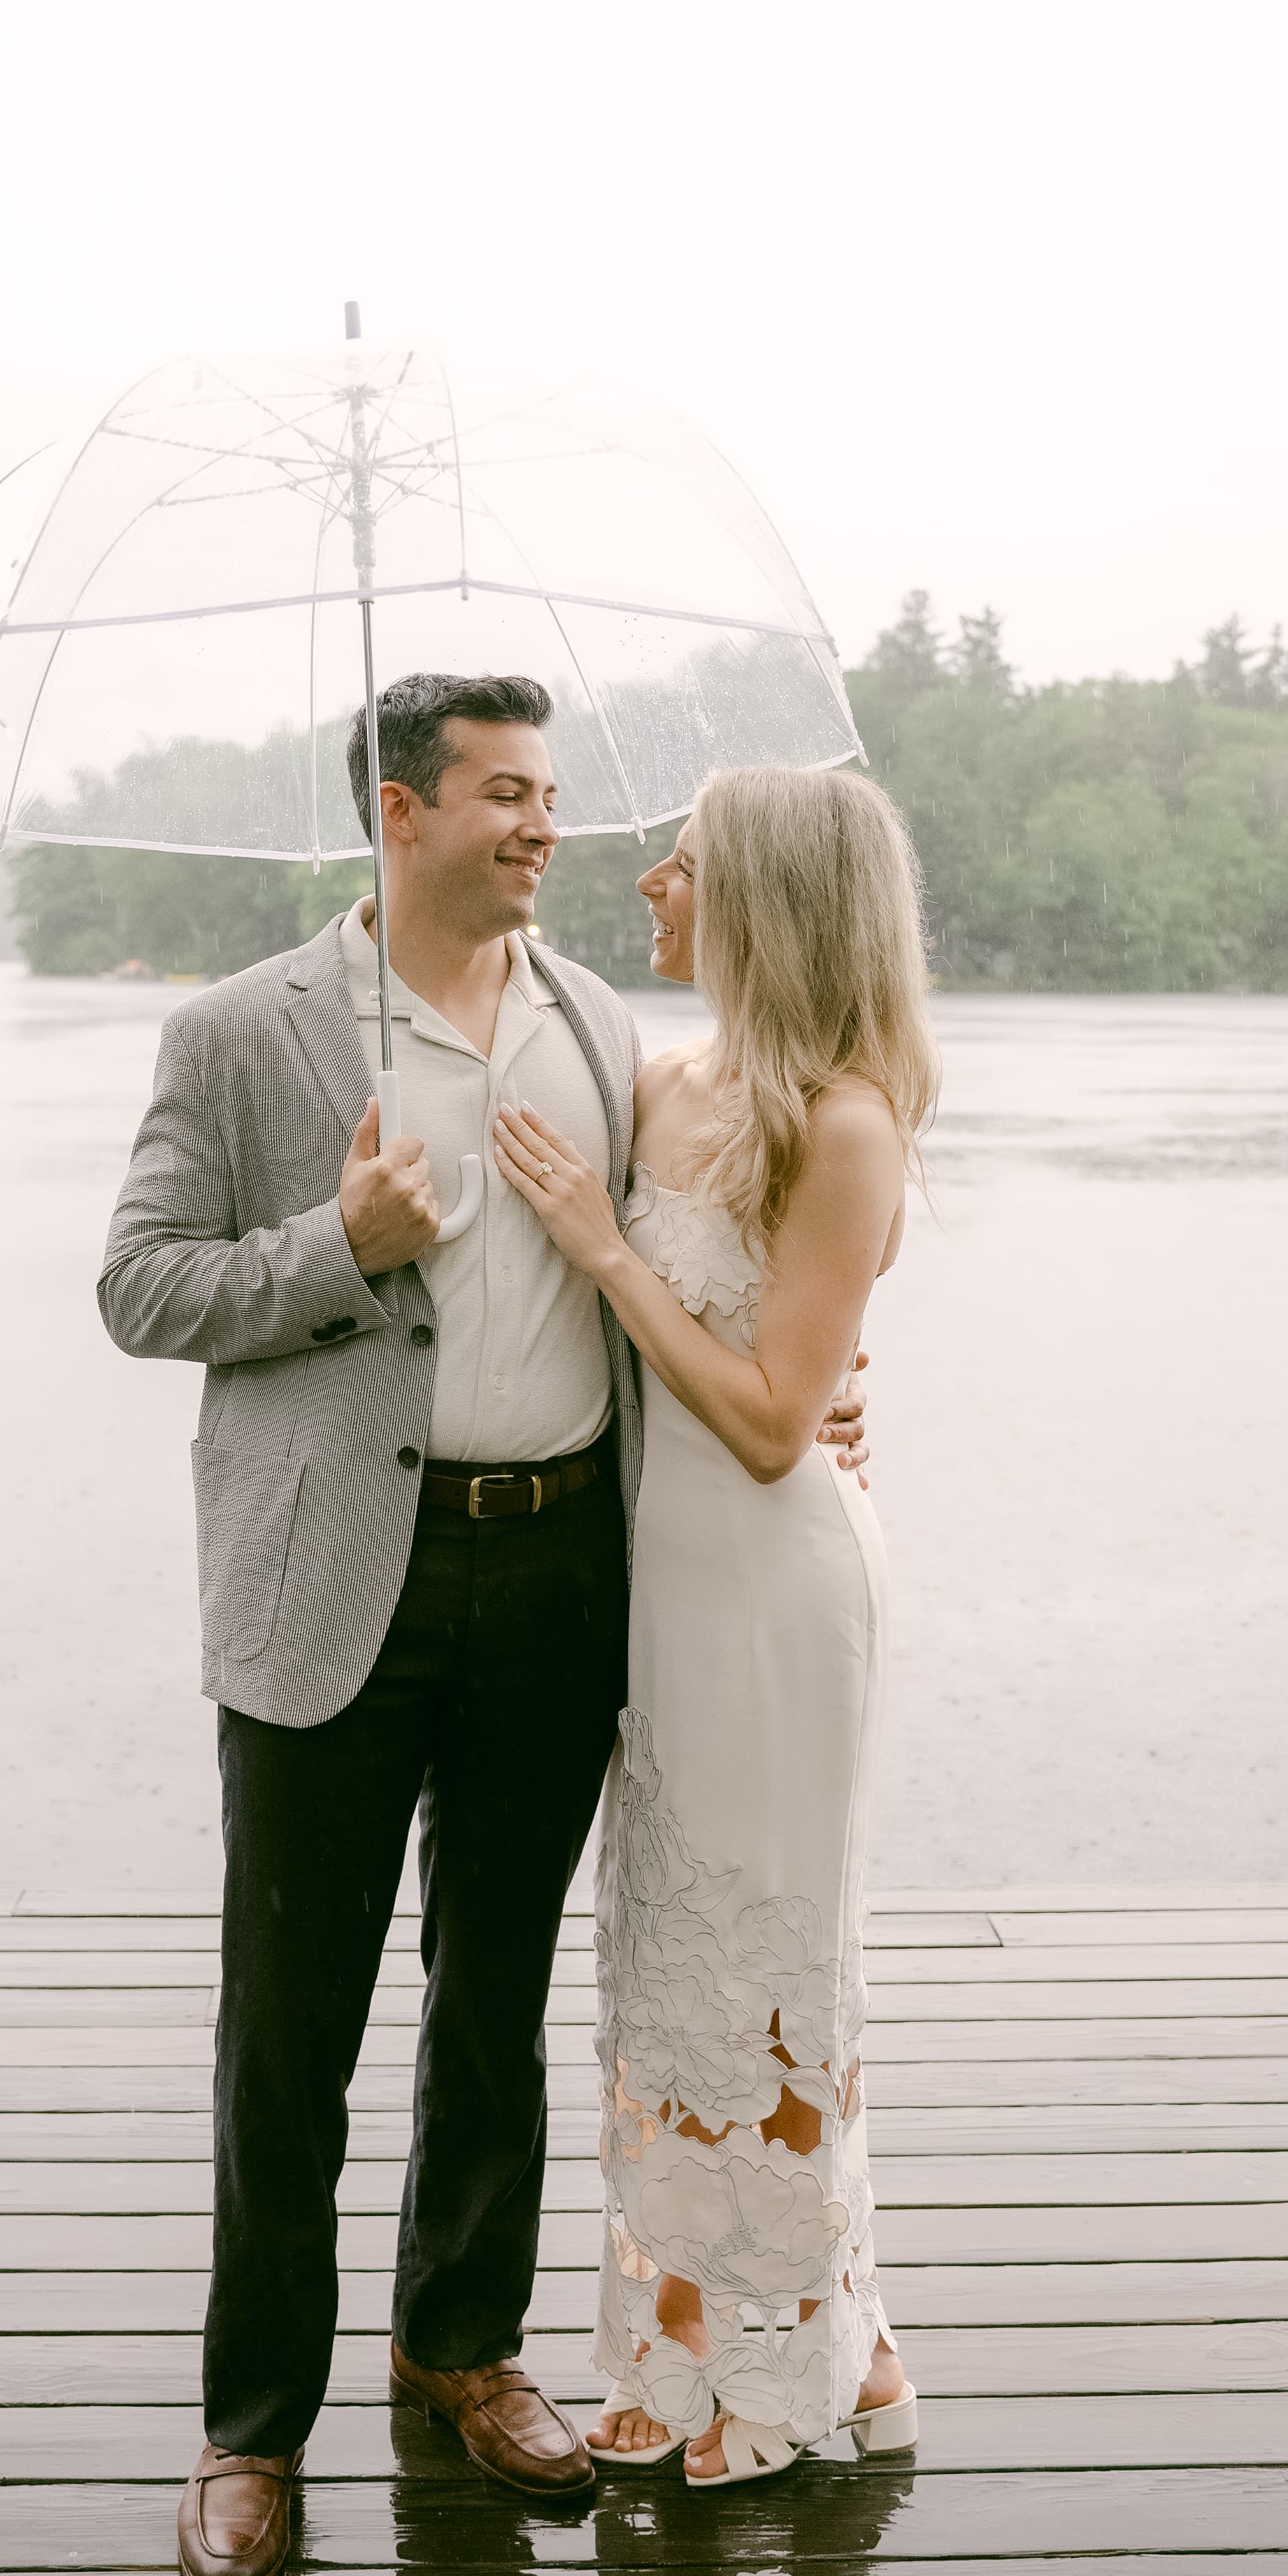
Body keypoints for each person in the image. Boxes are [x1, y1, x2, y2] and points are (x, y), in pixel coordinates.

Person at [98, 675, 868, 2576]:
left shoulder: (599, 1027)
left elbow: (698, 1267)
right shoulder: (241, 1031)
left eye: (547, 796)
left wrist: (826, 1392)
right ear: (400, 808)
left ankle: (462, 2343)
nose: (543, 829)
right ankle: (247, 2426)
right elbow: (137, 1283)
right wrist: (335, 1240)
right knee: (288, 2028)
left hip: (555, 1575)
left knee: (498, 1995)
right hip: (330, 1587)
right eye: (505, 796)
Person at [492, 764, 935, 2485]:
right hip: (657, 1584)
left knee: (773, 1963)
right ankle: (699, 2342)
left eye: (680, 864)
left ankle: (794, 2368)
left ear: (760, 898)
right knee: (671, 1966)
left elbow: (768, 1421)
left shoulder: (843, 1120)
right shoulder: (661, 1082)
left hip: (775, 1585)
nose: (651, 884)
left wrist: (610, 1254)